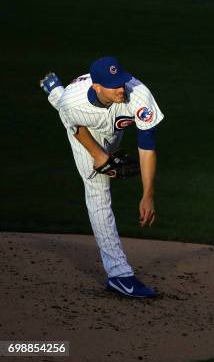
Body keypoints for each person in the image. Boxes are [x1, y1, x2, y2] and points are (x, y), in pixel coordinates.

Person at [40, 56, 164, 298]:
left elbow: (147, 146)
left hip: (111, 128)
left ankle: (54, 91)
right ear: (96, 86)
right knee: (98, 188)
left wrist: (147, 194)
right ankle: (119, 275)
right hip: (86, 131)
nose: (121, 88)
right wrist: (98, 156)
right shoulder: (74, 102)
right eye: (114, 85)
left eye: (122, 81)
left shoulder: (138, 94)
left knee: (71, 109)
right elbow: (74, 125)